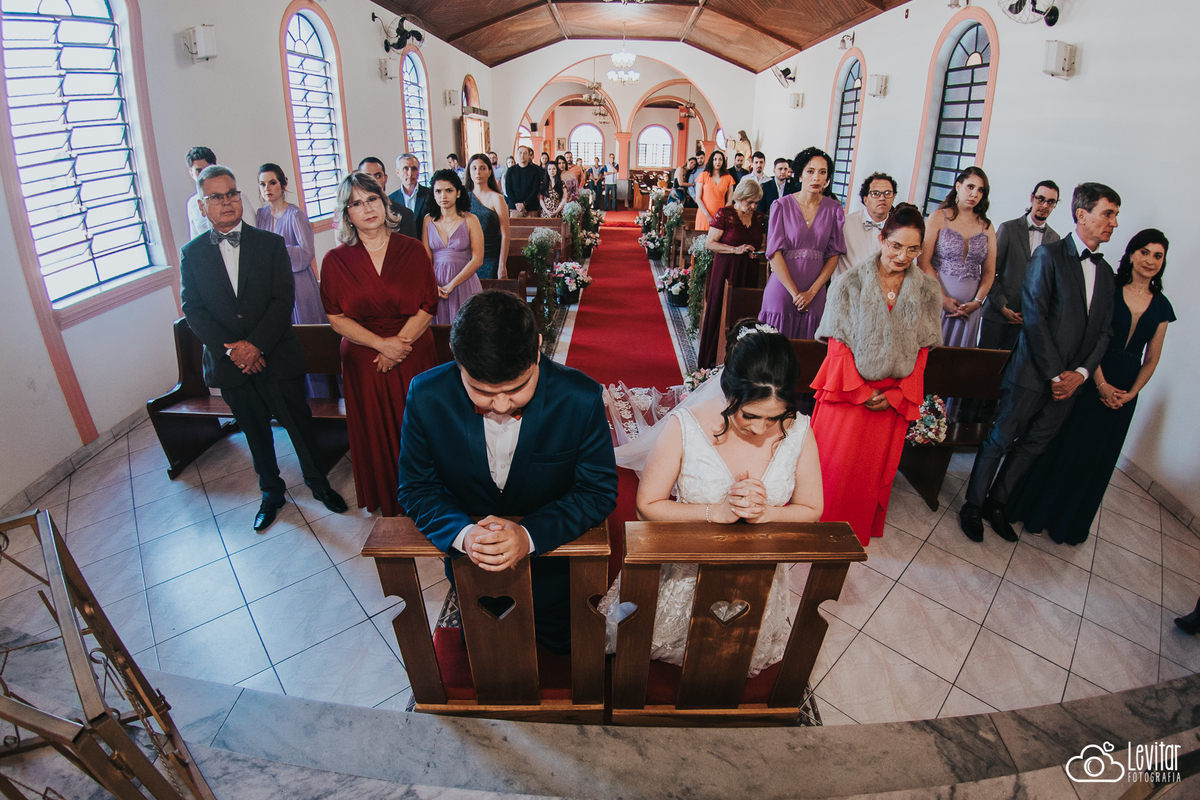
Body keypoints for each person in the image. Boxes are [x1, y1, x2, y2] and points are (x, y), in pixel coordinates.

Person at [397, 290, 619, 653]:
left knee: (567, 655)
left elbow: (597, 491)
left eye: (517, 389)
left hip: (555, 570)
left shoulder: (580, 397)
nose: (501, 405)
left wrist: (530, 535)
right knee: (485, 654)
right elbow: (417, 488)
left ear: (538, 348)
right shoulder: (426, 396)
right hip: (471, 572)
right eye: (482, 392)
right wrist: (464, 535)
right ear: (457, 360)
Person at [600, 321, 823, 675]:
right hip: (686, 572)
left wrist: (765, 513)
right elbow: (647, 506)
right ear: (728, 391)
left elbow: (811, 508)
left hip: (757, 579)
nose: (759, 428)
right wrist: (713, 511)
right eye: (749, 415)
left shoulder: (799, 431)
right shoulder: (685, 425)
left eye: (774, 418)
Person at [180, 165, 347, 531]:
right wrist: (234, 351)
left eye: (231, 193)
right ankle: (271, 492)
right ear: (202, 206)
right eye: (216, 196)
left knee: (298, 424)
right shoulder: (191, 254)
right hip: (231, 365)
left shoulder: (270, 244)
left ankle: (319, 483)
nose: (226, 202)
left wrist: (255, 346)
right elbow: (193, 309)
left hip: (276, 355)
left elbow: (282, 298)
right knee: (254, 431)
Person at [959, 182, 1120, 544]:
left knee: (1033, 445)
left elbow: (1105, 332)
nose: (1114, 222)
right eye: (1108, 214)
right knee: (1001, 438)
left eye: (1115, 215)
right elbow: (1034, 317)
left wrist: (1080, 375)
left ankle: (997, 504)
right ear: (1082, 214)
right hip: (1032, 373)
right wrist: (1055, 373)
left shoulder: (1107, 274)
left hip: (1071, 383)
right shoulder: (1049, 256)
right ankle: (973, 504)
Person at [1005, 229, 1173, 545]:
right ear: (1132, 254)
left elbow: (1151, 359)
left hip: (1125, 392)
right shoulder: (1111, 287)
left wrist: (1132, 393)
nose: (1150, 260)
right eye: (1144, 252)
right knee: (1066, 447)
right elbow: (1095, 338)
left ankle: (1068, 525)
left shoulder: (1163, 307)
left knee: (1096, 460)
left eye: (1158, 256)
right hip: (1093, 376)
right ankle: (1036, 512)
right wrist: (1101, 384)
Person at [811, 204, 943, 546]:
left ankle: (853, 533)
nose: (902, 256)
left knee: (869, 473)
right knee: (833, 466)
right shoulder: (849, 282)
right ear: (882, 239)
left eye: (913, 249)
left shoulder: (928, 291)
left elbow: (923, 352)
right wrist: (860, 391)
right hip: (847, 392)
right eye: (896, 245)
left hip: (891, 399)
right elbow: (837, 345)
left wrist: (897, 394)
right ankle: (814, 529)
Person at [319, 173, 439, 517]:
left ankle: (430, 497)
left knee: (419, 429)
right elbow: (336, 317)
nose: (367, 208)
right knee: (376, 431)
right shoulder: (334, 260)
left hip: (413, 353)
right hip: (365, 361)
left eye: (372, 199)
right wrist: (381, 345)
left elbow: (428, 305)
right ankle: (388, 496)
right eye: (356, 203)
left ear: (385, 203)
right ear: (347, 214)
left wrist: (397, 345)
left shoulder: (412, 249)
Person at [758, 147, 846, 339]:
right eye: (810, 171)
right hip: (783, 289)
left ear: (827, 178)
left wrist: (811, 293)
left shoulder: (834, 209)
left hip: (815, 291)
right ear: (799, 175)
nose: (816, 178)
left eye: (822, 172)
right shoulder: (781, 206)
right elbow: (774, 253)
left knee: (809, 349)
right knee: (775, 347)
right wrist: (795, 293)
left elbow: (834, 255)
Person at [919, 166, 997, 353]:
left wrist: (977, 302)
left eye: (980, 190)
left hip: (970, 311)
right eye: (970, 187)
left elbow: (989, 271)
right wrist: (943, 298)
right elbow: (923, 262)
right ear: (958, 186)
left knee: (959, 362)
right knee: (930, 356)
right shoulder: (938, 218)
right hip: (938, 302)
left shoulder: (986, 226)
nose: (974, 194)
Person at [980, 181, 1062, 352]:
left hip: (1026, 319)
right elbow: (990, 270)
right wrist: (1002, 306)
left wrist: (1034, 312)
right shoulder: (1008, 228)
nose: (1044, 205)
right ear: (1032, 198)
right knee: (983, 363)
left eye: (1051, 202)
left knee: (1011, 364)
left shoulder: (1055, 239)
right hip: (997, 313)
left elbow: (1049, 283)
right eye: (1040, 199)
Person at [697, 177, 765, 368]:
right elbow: (710, 243)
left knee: (744, 311)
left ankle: (738, 361)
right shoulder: (724, 214)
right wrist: (735, 249)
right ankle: (713, 357)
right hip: (726, 270)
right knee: (721, 309)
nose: (753, 206)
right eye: (749, 202)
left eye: (756, 202)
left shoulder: (759, 218)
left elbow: (763, 243)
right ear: (739, 197)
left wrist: (757, 252)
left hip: (749, 269)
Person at [254, 164, 321, 327]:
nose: (267, 188)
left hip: (297, 282)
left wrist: (278, 250)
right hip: (272, 284)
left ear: (283, 185)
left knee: (305, 330)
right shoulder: (261, 215)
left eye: (272, 182)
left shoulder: (295, 215)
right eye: (262, 184)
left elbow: (307, 252)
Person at [423, 169, 484, 325]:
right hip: (436, 284)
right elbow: (425, 259)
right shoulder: (428, 220)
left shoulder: (470, 220)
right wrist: (433, 285)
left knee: (466, 329)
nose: (443, 196)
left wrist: (452, 284)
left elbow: (478, 259)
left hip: (464, 281)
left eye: (448, 190)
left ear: (458, 193)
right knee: (439, 331)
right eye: (438, 191)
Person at [838, 172, 896, 278]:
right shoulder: (845, 223)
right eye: (875, 193)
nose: (882, 198)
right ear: (865, 199)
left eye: (887, 193)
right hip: (848, 284)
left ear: (893, 197)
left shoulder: (899, 228)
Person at [465, 153, 510, 280]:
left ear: (490, 172)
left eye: (482, 168)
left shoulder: (497, 198)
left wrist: (502, 264)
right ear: (469, 172)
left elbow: (505, 235)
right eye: (474, 168)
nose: (478, 172)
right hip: (469, 258)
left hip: (491, 257)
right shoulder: (465, 198)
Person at [358, 156, 417, 237]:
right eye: (367, 177)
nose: (373, 181)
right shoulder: (353, 215)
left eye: (378, 176)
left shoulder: (404, 215)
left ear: (385, 178)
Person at [694, 150, 735, 232]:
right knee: (702, 238)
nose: (718, 162)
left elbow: (729, 200)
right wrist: (707, 215)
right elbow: (698, 198)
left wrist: (722, 215)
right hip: (704, 214)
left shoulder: (728, 178)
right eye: (715, 159)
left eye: (720, 159)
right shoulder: (703, 175)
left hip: (720, 215)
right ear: (711, 161)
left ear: (723, 161)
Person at [389, 153, 432, 232]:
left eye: (414, 169)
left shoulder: (430, 194)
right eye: (405, 168)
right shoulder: (391, 200)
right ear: (398, 172)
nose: (410, 173)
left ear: (418, 172)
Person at [185, 146, 216, 238]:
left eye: (208, 170)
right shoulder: (192, 204)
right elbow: (195, 239)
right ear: (191, 174)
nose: (204, 175)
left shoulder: (235, 196)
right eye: (199, 171)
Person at [505, 146, 542, 217]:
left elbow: (535, 189)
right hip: (515, 208)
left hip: (531, 208)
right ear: (517, 155)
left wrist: (524, 204)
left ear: (528, 156)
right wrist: (517, 204)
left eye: (525, 153)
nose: (522, 155)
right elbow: (508, 189)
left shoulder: (535, 171)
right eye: (520, 153)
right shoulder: (511, 171)